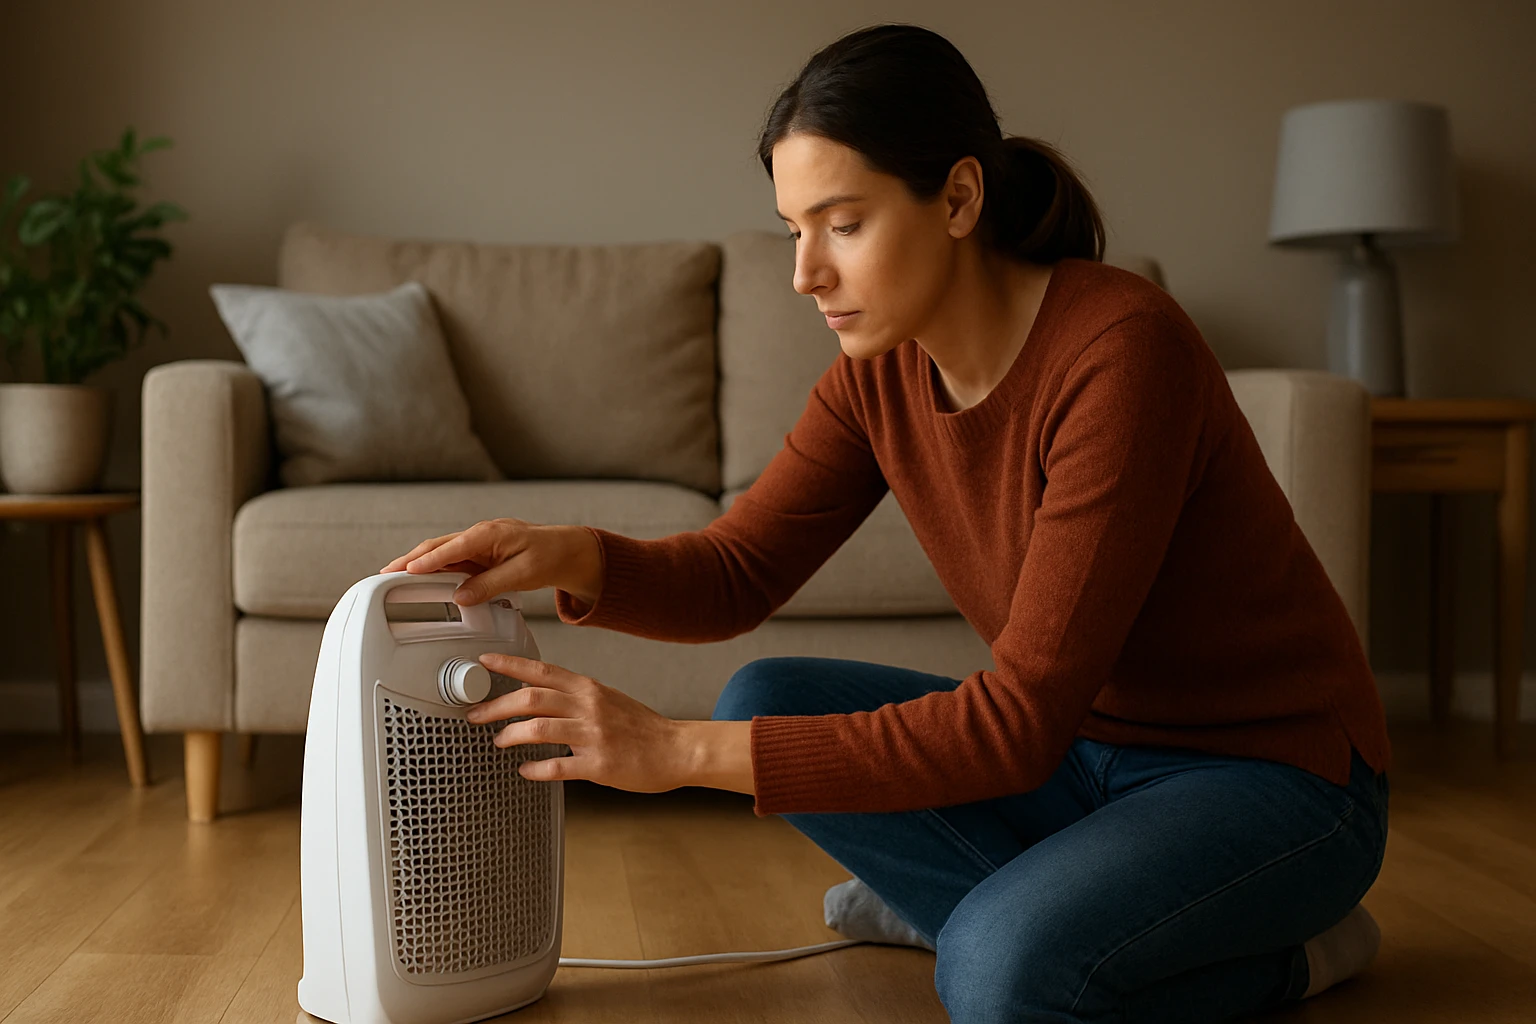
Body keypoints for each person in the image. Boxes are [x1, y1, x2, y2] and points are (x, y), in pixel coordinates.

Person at [381, 23, 1391, 1023]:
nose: (804, 272)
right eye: (793, 230)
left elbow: (1015, 722)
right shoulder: (879, 378)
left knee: (998, 971)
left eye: (843, 223)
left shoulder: (1121, 353)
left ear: (957, 197)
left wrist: (673, 752)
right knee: (765, 695)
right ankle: (1014, 904)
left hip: (1276, 782)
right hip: (1086, 762)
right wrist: (572, 552)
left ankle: (1284, 955)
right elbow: (740, 572)